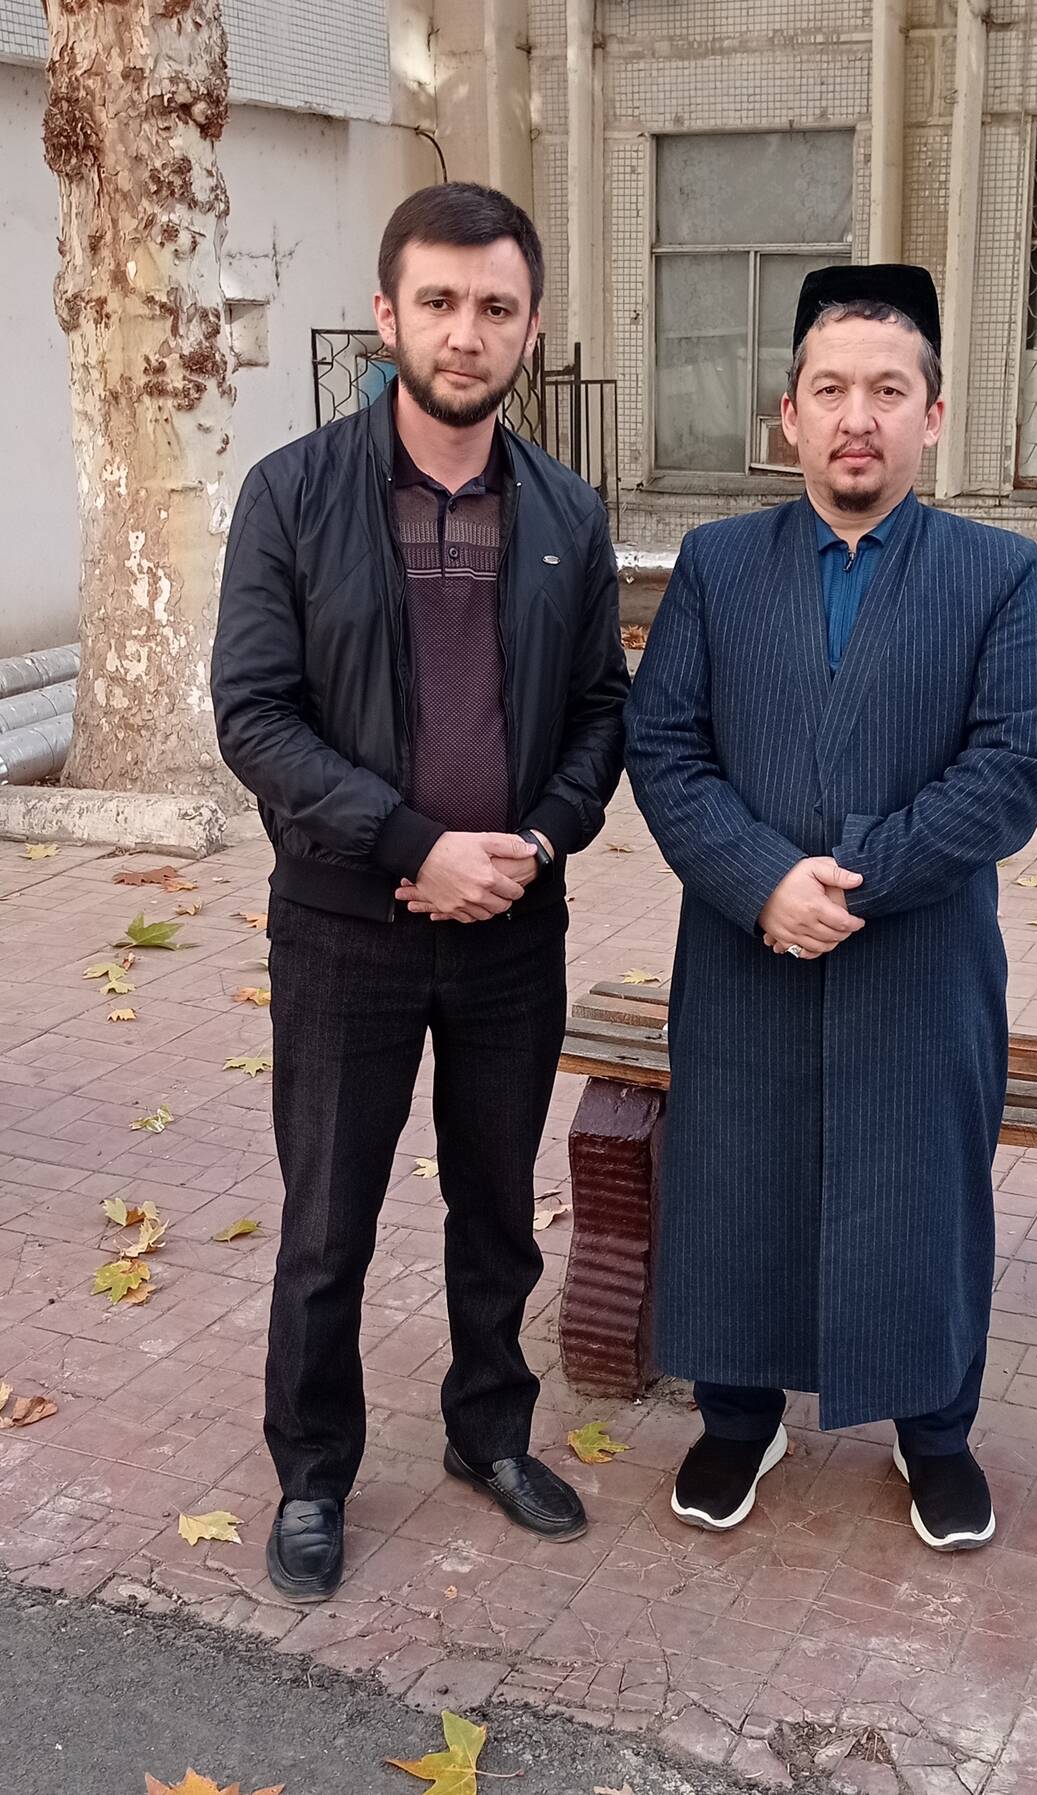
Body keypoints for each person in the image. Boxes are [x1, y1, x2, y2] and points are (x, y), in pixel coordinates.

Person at [212, 182, 629, 1601]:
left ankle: (488, 1432)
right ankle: (313, 1473)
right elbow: (256, 716)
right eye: (439, 302)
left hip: (514, 929)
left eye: (495, 307)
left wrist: (537, 845)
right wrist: (411, 846)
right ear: (387, 316)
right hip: (347, 929)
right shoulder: (293, 494)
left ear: (531, 328)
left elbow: (601, 712)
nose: (466, 332)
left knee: (497, 1205)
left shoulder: (566, 511)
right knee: (329, 1217)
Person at [625, 264, 1037, 1553]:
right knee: (738, 1176)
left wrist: (856, 876)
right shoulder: (718, 565)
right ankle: (738, 1413)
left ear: (934, 415)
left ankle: (935, 1432)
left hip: (921, 955)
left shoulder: (995, 572)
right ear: (790, 415)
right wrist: (763, 880)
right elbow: (665, 747)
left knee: (920, 1190)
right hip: (745, 943)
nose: (856, 417)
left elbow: (1012, 765)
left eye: (887, 390)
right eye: (829, 390)